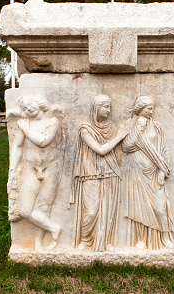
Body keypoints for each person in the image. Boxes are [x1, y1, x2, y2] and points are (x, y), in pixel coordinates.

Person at [70, 94, 127, 252]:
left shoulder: (112, 128)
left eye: (110, 107)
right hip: (91, 172)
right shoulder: (85, 129)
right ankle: (85, 240)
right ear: (96, 108)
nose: (108, 110)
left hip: (111, 171)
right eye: (105, 107)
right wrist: (119, 137)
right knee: (91, 210)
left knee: (108, 209)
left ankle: (107, 241)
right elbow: (100, 150)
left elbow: (125, 148)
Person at [8, 96, 62, 251]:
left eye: (29, 105)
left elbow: (43, 141)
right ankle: (54, 228)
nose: (28, 109)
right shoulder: (26, 123)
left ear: (38, 104)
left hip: (50, 169)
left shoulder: (51, 121)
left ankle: (39, 243)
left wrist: (24, 128)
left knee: (45, 207)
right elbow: (17, 147)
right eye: (24, 108)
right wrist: (12, 169)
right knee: (25, 210)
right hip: (31, 169)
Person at [122, 96, 174, 250]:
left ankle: (165, 236)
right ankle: (142, 240)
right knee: (139, 206)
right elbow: (127, 146)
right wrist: (138, 128)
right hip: (136, 171)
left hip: (154, 170)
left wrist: (162, 171)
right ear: (140, 109)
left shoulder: (157, 126)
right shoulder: (130, 125)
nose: (151, 111)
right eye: (149, 108)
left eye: (152, 108)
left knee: (160, 207)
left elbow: (164, 149)